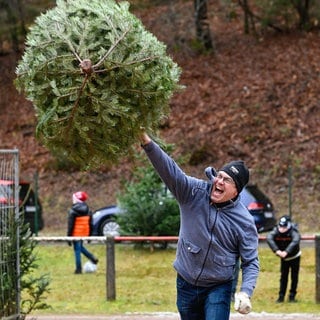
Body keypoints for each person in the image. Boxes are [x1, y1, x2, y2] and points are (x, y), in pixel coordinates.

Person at [139, 133, 259, 320]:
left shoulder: (244, 221)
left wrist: (245, 292)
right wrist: (147, 143)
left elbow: (251, 261)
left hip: (218, 286)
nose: (219, 181)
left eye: (227, 180)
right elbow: (169, 170)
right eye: (219, 176)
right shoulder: (192, 193)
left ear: (236, 191)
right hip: (186, 282)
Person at [267, 215, 301, 303]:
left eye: (284, 227)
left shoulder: (293, 231)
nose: (282, 229)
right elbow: (269, 238)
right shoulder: (276, 231)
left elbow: (296, 240)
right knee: (283, 277)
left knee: (294, 277)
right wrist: (277, 250)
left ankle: (292, 296)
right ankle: (281, 296)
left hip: (295, 257)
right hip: (284, 258)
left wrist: (286, 251)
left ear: (288, 225)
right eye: (280, 226)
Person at [67, 191, 98, 274]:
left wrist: (68, 237)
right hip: (85, 232)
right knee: (80, 247)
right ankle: (92, 258)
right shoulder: (88, 210)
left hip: (76, 233)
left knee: (77, 249)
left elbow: (70, 226)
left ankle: (78, 269)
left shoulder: (72, 211)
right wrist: (89, 236)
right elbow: (91, 224)